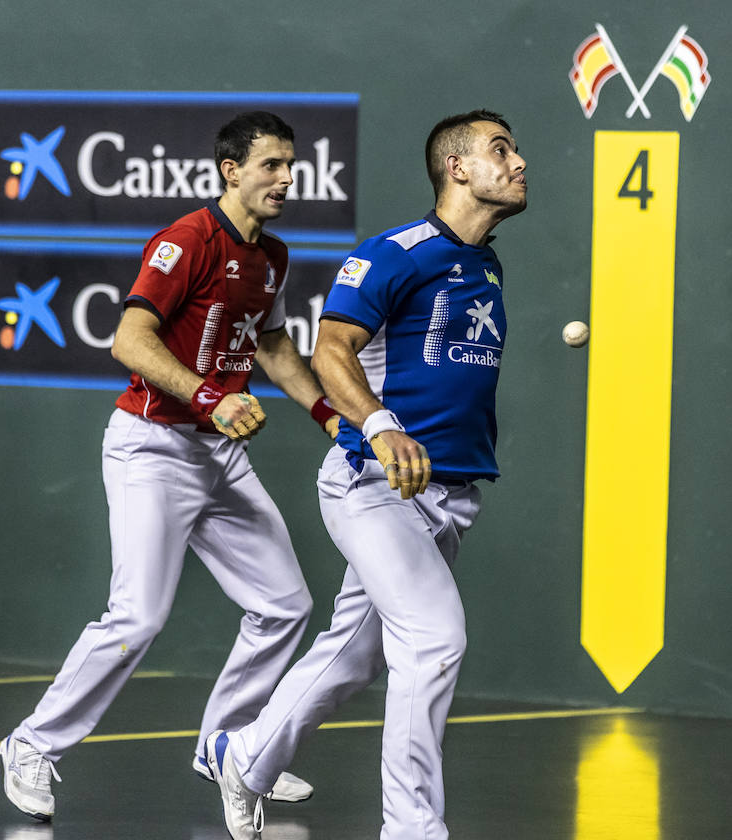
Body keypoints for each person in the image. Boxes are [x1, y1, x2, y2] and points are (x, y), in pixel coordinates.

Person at [0, 111, 341, 822]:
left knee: (285, 605)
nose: (287, 178)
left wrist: (325, 414)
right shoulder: (186, 240)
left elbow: (273, 346)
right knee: (138, 614)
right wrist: (210, 395)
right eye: (272, 165)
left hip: (219, 456)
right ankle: (32, 744)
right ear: (231, 171)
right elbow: (129, 338)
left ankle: (231, 747)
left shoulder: (272, 256)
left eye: (291, 165)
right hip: (153, 447)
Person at [205, 109, 528, 840]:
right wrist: (381, 428)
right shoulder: (395, 253)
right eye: (499, 151)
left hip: (447, 496)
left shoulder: (485, 263)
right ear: (457, 168)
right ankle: (412, 830)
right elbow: (331, 349)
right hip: (372, 484)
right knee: (434, 638)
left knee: (353, 655)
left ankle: (245, 755)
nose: (518, 163)